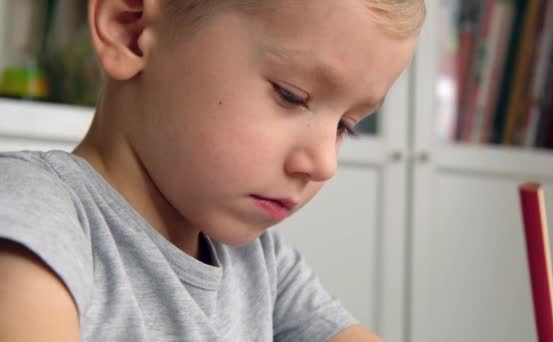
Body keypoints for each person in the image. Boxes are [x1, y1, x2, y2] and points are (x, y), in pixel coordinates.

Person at [0, 0, 425, 340]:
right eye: (291, 96)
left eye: (346, 126)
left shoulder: (262, 265)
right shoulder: (37, 216)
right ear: (129, 32)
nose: (323, 164)